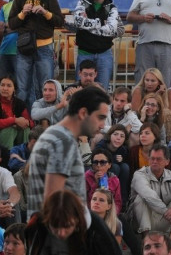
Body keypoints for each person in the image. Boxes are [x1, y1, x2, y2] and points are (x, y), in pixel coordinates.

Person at [27, 86, 110, 217]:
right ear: (83, 113)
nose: (103, 125)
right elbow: (53, 206)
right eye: (100, 117)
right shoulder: (62, 142)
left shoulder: (59, 137)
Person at [8, 0, 64, 104]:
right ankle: (22, 116)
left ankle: (44, 116)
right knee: (22, 88)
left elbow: (60, 21)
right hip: (24, 48)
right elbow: (12, 24)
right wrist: (23, 13)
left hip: (44, 48)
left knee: (45, 87)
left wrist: (45, 13)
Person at [25, 189, 121, 255]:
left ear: (77, 220)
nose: (61, 233)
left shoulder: (96, 228)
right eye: (55, 226)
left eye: (67, 226)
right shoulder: (37, 225)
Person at [71, 0, 123, 92]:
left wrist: (88, 25)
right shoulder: (82, 3)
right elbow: (78, 22)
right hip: (84, 53)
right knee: (80, 90)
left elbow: (112, 29)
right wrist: (101, 23)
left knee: (102, 90)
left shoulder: (112, 7)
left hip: (104, 53)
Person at [129, 144, 171, 234]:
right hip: (141, 222)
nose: (154, 161)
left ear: (167, 161)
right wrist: (167, 212)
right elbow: (149, 195)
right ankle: (146, 237)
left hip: (165, 219)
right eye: (152, 158)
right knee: (141, 198)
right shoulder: (139, 174)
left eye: (158, 159)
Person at [0, 76, 33, 150]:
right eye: (2, 85)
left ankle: (24, 154)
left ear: (14, 89)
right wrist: (14, 120)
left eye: (9, 86)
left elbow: (31, 123)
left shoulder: (20, 103)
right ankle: (7, 155)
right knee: (9, 130)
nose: (5, 88)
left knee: (25, 129)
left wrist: (26, 122)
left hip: (15, 136)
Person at [0, 0, 26, 79]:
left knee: (21, 85)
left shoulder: (29, 5)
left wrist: (6, 26)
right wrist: (16, 25)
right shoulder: (5, 7)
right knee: (3, 84)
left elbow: (28, 27)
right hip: (4, 51)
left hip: (22, 51)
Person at [84, 148, 122, 213]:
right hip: (91, 213)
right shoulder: (87, 176)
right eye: (95, 162)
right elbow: (85, 201)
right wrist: (95, 183)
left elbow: (117, 202)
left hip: (109, 213)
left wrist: (112, 215)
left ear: (109, 165)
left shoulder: (114, 180)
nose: (98, 165)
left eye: (102, 162)